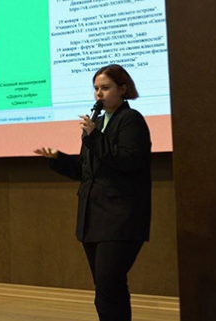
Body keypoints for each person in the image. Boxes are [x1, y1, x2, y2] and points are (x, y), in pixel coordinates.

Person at [34, 64, 152, 321]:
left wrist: (95, 137)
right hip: (93, 218)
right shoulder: (97, 123)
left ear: (123, 89)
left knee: (108, 288)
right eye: (96, 88)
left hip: (120, 218)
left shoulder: (130, 120)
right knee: (108, 289)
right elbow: (85, 170)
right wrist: (58, 159)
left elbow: (128, 161)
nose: (99, 93)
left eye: (105, 88)